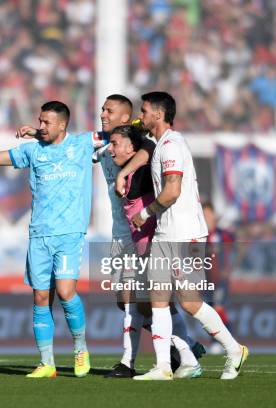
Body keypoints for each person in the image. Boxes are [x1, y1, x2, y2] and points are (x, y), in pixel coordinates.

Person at [0, 101, 102, 378]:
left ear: (62, 124)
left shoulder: (83, 143)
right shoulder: (32, 150)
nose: (41, 126)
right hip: (38, 235)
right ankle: (47, 363)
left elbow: (119, 133)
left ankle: (80, 348)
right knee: (40, 297)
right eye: (39, 121)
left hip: (69, 234)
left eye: (46, 123)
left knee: (65, 292)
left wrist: (136, 124)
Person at [127, 91, 248, 380]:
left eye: (143, 111)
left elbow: (172, 191)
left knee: (190, 302)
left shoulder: (172, 145)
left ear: (158, 114)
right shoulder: (160, 145)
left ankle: (234, 350)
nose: (140, 115)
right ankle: (163, 367)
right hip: (166, 234)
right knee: (157, 297)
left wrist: (145, 213)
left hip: (185, 235)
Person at [92, 95, 204, 378]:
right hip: (122, 232)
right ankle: (187, 345)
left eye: (109, 110)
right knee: (131, 301)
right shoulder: (103, 144)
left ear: (126, 118)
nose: (103, 114)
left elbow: (149, 147)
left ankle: (130, 362)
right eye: (102, 109)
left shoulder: (142, 142)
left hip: (143, 230)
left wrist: (123, 174)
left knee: (144, 298)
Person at [202, 201, 235, 354]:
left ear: (214, 215)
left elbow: (237, 247)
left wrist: (228, 268)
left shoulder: (223, 234)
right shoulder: (201, 235)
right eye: (204, 214)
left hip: (220, 280)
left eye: (209, 213)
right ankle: (218, 341)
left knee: (218, 308)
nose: (206, 217)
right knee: (208, 311)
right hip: (205, 280)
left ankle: (226, 342)